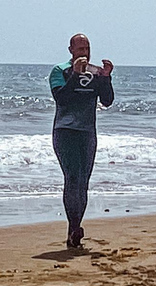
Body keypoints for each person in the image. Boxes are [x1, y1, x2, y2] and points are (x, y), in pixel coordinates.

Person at [49, 34, 114, 248]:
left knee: (83, 182)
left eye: (87, 48)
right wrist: (75, 75)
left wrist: (105, 78)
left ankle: (75, 229)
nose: (84, 52)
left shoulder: (95, 73)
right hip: (65, 131)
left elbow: (107, 100)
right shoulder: (60, 71)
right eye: (79, 49)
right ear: (70, 50)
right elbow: (62, 98)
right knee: (72, 178)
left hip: (87, 133)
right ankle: (73, 228)